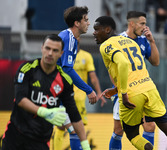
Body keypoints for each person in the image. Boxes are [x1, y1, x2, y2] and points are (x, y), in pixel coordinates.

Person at [93, 16, 167, 150]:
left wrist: (122, 92)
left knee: (132, 135)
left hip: (131, 93)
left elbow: (123, 63)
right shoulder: (131, 42)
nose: (94, 33)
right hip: (149, 87)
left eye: (96, 29)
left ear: (107, 29)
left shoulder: (106, 46)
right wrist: (115, 90)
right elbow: (136, 72)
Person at [2, 34, 91, 150]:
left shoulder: (65, 80)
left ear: (61, 54)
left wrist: (85, 144)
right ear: (42, 48)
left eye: (55, 50)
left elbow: (74, 114)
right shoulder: (27, 69)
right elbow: (20, 99)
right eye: (47, 48)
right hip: (15, 136)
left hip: (40, 141)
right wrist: (44, 112)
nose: (50, 53)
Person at [107, 11, 160, 150]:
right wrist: (120, 90)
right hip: (125, 92)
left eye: (145, 24)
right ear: (132, 23)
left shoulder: (143, 40)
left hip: (141, 90)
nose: (145, 27)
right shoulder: (117, 40)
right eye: (142, 23)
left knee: (150, 125)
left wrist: (152, 41)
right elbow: (111, 69)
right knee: (119, 130)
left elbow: (155, 62)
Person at [51, 38, 106, 150]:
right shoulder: (63, 55)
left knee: (71, 128)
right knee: (64, 126)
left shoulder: (86, 56)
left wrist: (99, 92)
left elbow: (93, 77)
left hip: (79, 97)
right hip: (65, 95)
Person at [56, 6, 98, 149]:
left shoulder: (68, 37)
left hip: (59, 89)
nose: (89, 23)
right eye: (85, 20)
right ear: (76, 23)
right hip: (54, 89)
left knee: (72, 128)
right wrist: (88, 90)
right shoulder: (69, 38)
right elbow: (67, 69)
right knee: (72, 128)